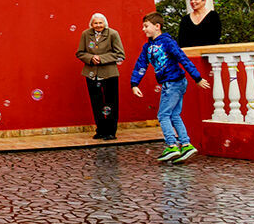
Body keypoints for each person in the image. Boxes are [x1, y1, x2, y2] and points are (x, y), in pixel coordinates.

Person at [130, 11, 210, 163]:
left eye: (146, 26)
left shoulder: (168, 42)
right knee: (174, 115)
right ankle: (186, 145)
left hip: (174, 83)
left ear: (157, 26)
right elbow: (141, 65)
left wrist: (197, 77)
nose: (144, 29)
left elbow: (182, 58)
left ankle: (172, 146)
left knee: (163, 115)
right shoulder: (147, 47)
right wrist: (134, 83)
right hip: (169, 84)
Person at [76, 12, 125, 140]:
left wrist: (101, 58)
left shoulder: (113, 34)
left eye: (100, 23)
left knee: (111, 103)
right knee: (96, 103)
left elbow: (120, 54)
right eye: (95, 23)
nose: (98, 25)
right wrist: (91, 58)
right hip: (92, 75)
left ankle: (111, 131)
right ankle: (100, 130)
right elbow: (80, 53)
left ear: (105, 23)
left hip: (109, 74)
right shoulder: (86, 34)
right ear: (91, 24)